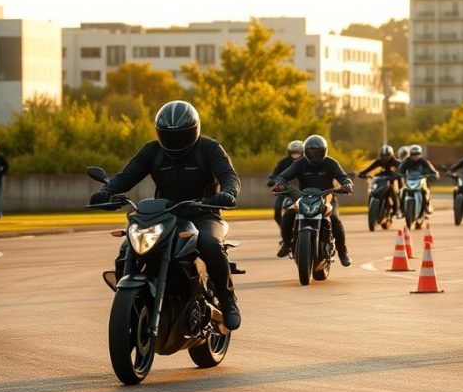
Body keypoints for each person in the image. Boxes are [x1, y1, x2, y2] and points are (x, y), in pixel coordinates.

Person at [89, 101, 243, 331]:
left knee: (210, 244)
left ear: (193, 130)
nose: (174, 141)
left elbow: (229, 176)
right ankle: (130, 303)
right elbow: (126, 176)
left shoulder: (209, 148)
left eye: (180, 135)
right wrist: (107, 191)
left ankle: (228, 301)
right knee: (127, 248)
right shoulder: (152, 151)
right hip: (163, 217)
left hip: (204, 215)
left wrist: (228, 193)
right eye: (169, 135)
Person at [273, 135, 354, 266]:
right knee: (289, 213)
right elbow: (283, 176)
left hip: (327, 197)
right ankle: (287, 244)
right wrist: (280, 184)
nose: (314, 155)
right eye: (311, 152)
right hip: (304, 197)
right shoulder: (299, 163)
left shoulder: (331, 163)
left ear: (324, 151)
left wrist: (347, 185)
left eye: (318, 152)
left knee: (335, 219)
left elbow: (344, 177)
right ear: (305, 151)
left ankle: (343, 253)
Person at [268, 140, 304, 231]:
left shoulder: (307, 162)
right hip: (284, 190)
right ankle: (285, 230)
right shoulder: (283, 162)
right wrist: (272, 180)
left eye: (297, 152)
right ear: (289, 152)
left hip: (302, 190)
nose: (295, 155)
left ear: (303, 152)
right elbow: (275, 174)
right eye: (293, 152)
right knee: (277, 210)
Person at [357, 144, 402, 216]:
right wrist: (362, 174)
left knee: (392, 189)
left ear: (391, 155)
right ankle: (370, 208)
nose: (385, 158)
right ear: (380, 155)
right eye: (383, 156)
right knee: (372, 191)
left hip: (391, 178)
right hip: (381, 179)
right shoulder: (379, 161)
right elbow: (369, 169)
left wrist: (398, 175)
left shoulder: (396, 162)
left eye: (387, 156)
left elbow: (402, 170)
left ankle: (396, 210)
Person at [399, 144, 440, 216]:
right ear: (410, 154)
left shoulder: (424, 161)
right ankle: (402, 210)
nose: (415, 156)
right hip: (410, 180)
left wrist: (434, 174)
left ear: (420, 154)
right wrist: (399, 174)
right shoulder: (407, 161)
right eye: (413, 154)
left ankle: (427, 205)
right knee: (403, 191)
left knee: (426, 190)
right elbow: (400, 170)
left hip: (421, 180)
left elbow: (432, 170)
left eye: (417, 154)